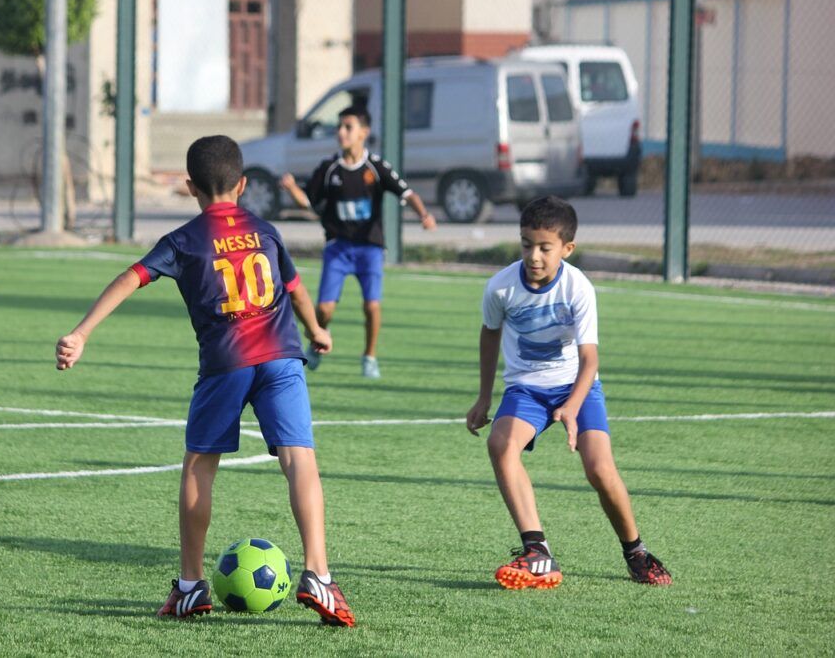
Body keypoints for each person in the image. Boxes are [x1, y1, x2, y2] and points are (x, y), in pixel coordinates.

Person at [56, 135, 356, 626]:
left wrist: (82, 332)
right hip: (282, 358)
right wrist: (317, 330)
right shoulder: (265, 230)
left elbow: (131, 277)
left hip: (227, 363)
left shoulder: (185, 239)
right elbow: (296, 290)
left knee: (200, 465)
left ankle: (192, 586)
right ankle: (319, 575)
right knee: (299, 459)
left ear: (190, 186)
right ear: (242, 185)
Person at [464, 196, 672, 589]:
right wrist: (484, 396)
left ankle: (636, 551)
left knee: (599, 469)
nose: (534, 255)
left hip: (578, 385)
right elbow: (490, 334)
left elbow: (589, 360)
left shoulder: (578, 287)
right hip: (526, 387)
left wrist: (572, 407)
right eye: (527, 244)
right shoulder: (501, 287)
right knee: (500, 445)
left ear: (567, 249)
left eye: (545, 247)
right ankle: (537, 551)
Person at [280, 105, 437, 379]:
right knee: (324, 309)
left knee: (371, 306)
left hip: (370, 247)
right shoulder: (329, 169)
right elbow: (308, 201)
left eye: (348, 127)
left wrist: (423, 214)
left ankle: (369, 357)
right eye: (339, 127)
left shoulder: (375, 167)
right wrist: (293, 188)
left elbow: (407, 192)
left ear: (364, 132)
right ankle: (318, 340)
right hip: (338, 248)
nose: (341, 132)